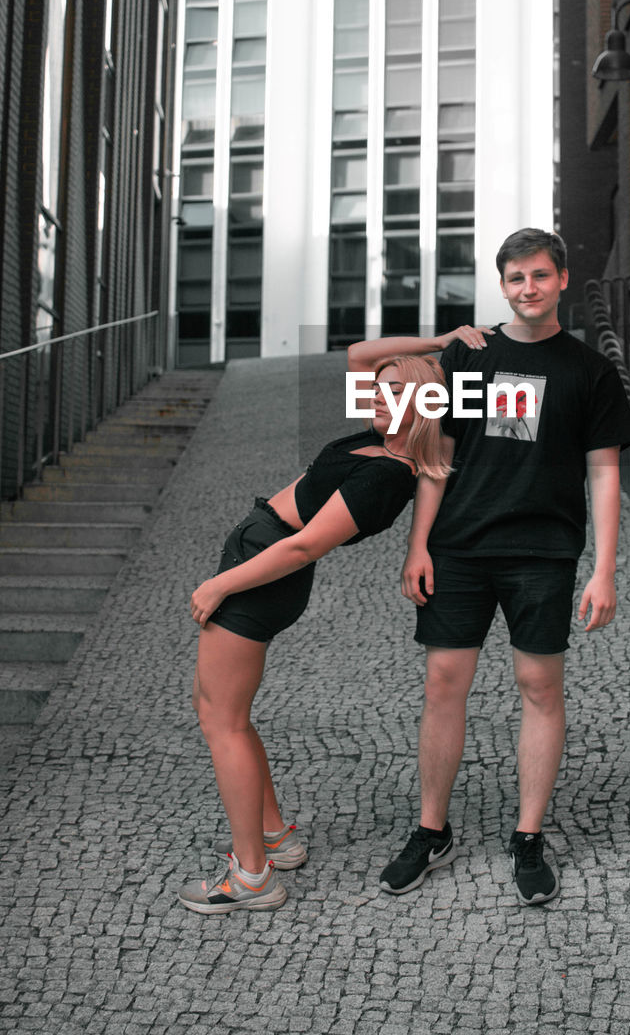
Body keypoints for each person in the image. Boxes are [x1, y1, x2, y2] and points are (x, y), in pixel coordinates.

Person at [348, 228, 630, 906]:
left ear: (562, 279)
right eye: (514, 278)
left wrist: (604, 568)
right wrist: (417, 545)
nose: (527, 289)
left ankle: (528, 836)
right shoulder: (466, 354)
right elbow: (435, 456)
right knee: (443, 683)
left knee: (539, 687)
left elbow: (603, 472)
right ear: (501, 284)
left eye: (539, 276)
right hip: (459, 547)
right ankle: (430, 830)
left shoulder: (588, 370)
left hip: (543, 551)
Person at [178, 353, 453, 914]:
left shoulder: (386, 476)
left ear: (426, 400)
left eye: (394, 390)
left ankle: (251, 874)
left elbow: (305, 545)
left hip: (262, 576)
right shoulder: (377, 442)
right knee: (220, 710)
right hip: (257, 564)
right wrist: (441, 337)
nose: (378, 395)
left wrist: (220, 585)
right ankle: (275, 838)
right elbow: (365, 355)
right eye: (377, 390)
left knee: (220, 720)